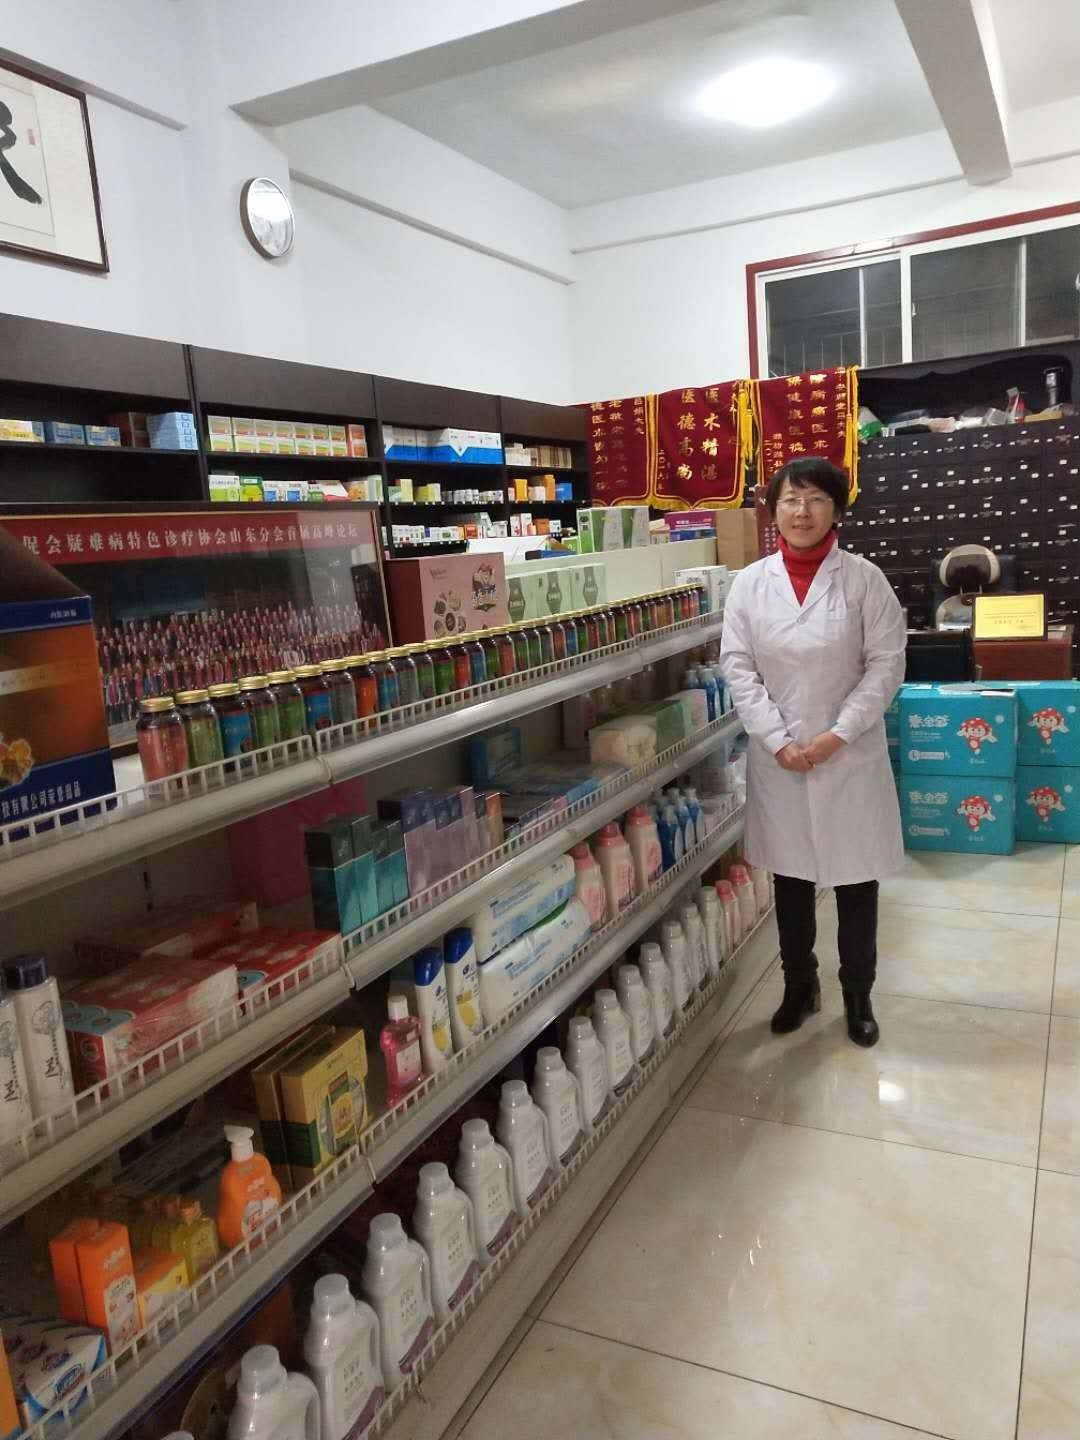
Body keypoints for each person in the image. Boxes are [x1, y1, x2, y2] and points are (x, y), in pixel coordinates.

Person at [719, 457, 906, 1047]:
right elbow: (738, 667)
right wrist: (777, 739)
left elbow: (886, 666)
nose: (802, 512)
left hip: (848, 755)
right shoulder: (750, 585)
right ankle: (800, 986)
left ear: (836, 511)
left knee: (856, 881)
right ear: (773, 510)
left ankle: (858, 994)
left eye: (816, 499)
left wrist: (837, 734)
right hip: (781, 758)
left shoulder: (865, 580)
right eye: (791, 500)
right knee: (792, 880)